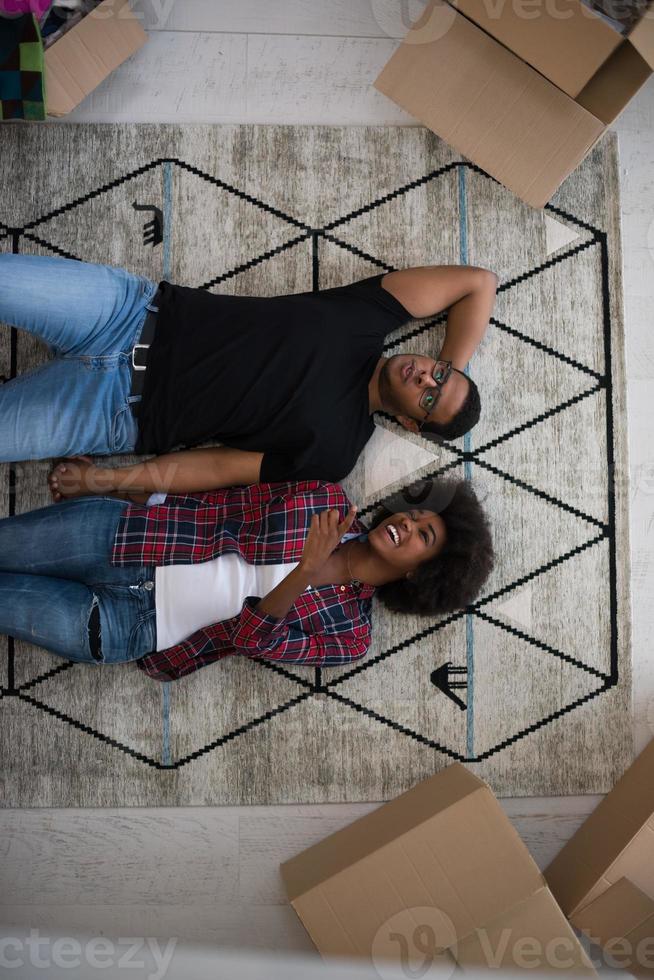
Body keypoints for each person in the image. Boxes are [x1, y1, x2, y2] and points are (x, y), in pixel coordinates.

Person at [0, 253, 498, 485]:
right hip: (127, 313)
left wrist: (107, 481)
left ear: (411, 423)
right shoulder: (370, 317)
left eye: (429, 398)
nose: (425, 378)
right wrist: (452, 370)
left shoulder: (337, 453)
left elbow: (218, 466)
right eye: (439, 372)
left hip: (114, 415)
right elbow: (478, 283)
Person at [0, 479, 494, 681]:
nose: (407, 524)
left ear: (419, 573)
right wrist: (114, 483)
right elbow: (221, 497)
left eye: (423, 536)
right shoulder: (328, 501)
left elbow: (252, 639)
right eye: (417, 515)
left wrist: (305, 569)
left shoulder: (351, 636)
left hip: (130, 626)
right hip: (128, 536)